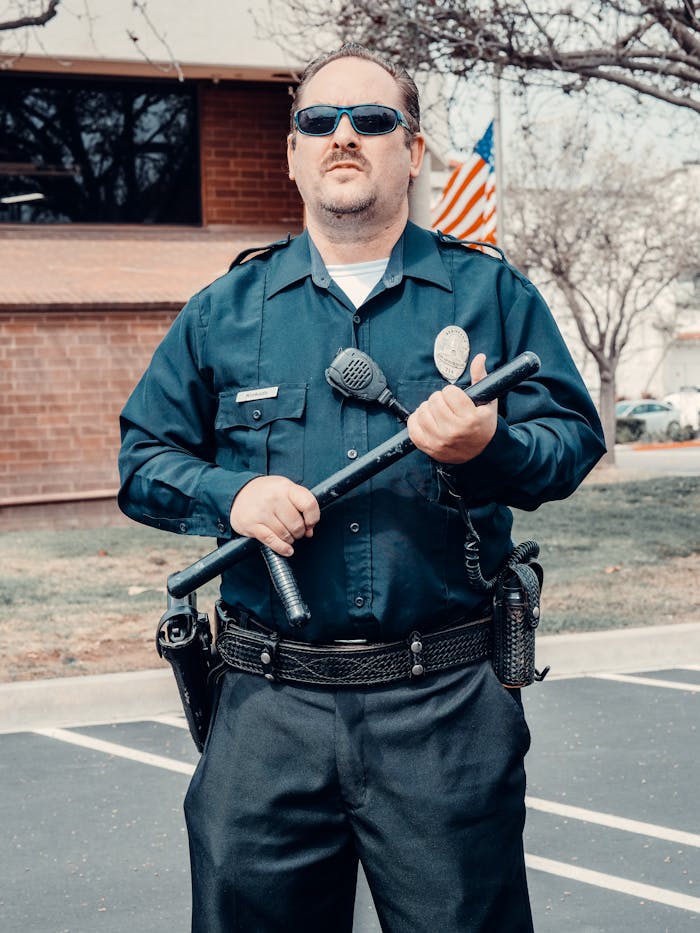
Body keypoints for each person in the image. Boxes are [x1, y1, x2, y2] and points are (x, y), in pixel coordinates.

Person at [118, 43, 606, 933]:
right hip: (267, 709)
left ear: (413, 151)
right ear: (293, 152)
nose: (344, 136)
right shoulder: (225, 311)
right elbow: (142, 460)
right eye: (319, 121)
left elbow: (571, 442)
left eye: (372, 120)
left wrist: (488, 441)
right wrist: (231, 494)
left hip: (445, 708)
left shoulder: (488, 294)